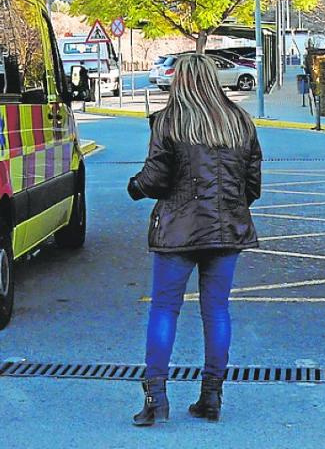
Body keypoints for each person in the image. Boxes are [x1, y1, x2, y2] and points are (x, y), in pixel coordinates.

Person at [126, 53, 263, 427]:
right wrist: (229, 207)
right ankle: (211, 396)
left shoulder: (170, 121)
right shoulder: (239, 121)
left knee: (164, 310)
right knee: (216, 311)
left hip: (178, 231)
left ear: (180, 81)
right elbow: (252, 186)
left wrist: (135, 188)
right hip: (227, 231)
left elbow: (154, 179)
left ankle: (156, 399)